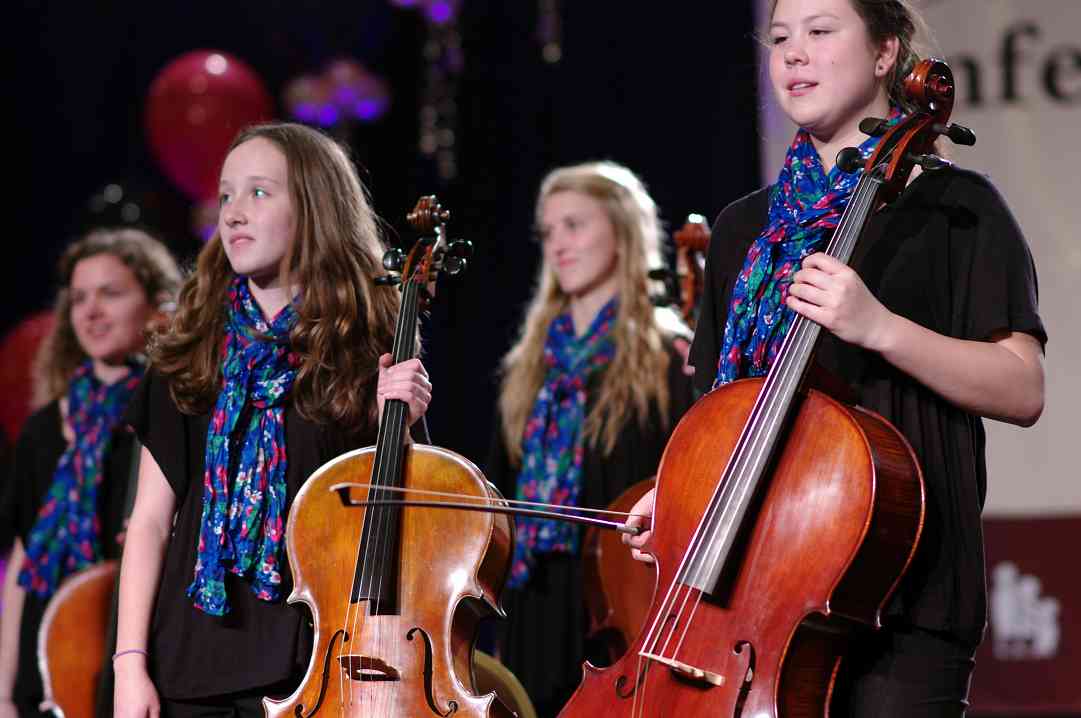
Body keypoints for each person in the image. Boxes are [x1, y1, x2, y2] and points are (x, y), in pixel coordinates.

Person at [625, 0, 1047, 715]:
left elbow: (1021, 388)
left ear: (885, 54)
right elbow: (722, 408)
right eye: (781, 38)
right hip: (755, 585)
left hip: (900, 591)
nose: (793, 54)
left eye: (821, 32)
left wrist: (878, 326)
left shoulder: (954, 208)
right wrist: (679, 495)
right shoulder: (742, 229)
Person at [112, 122, 433, 718]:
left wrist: (403, 423)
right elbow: (151, 523)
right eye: (227, 194)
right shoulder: (188, 352)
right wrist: (128, 666)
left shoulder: (363, 349)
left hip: (313, 665)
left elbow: (401, 528)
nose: (233, 213)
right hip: (188, 663)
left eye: (259, 193)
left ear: (313, 207)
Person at [485, 161, 696, 716]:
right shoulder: (527, 368)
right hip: (535, 604)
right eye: (549, 232)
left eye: (574, 225)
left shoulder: (667, 359)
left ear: (622, 232)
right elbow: (497, 498)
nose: (558, 244)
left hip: (629, 601)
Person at [0, 228, 181, 718]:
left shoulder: (173, 417)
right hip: (48, 663)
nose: (91, 311)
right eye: (79, 298)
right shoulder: (43, 429)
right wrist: (2, 693)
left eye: (111, 293)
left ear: (156, 304)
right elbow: (22, 562)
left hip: (135, 654)